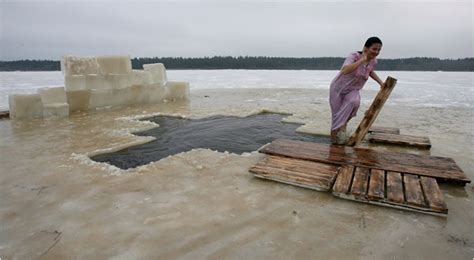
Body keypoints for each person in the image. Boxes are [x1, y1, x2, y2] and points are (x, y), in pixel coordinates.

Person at [329, 36, 385, 144]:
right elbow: (345, 70)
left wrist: (381, 83)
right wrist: (361, 61)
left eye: (379, 50)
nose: (376, 52)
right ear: (366, 48)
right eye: (374, 49)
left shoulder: (373, 61)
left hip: (353, 89)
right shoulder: (354, 56)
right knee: (337, 116)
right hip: (338, 89)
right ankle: (334, 143)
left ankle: (341, 136)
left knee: (354, 102)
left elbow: (370, 71)